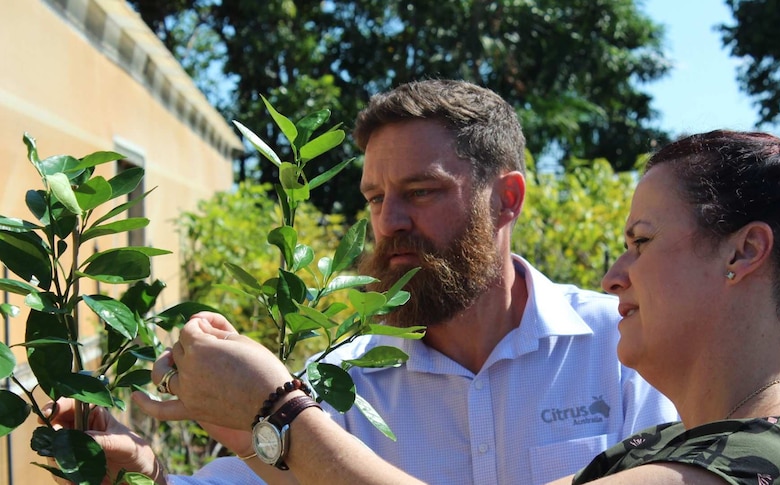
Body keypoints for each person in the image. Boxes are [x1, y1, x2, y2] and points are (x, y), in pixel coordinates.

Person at [134, 92, 780, 484]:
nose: (613, 274)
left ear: (745, 251)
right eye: (373, 196)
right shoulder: (686, 442)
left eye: (641, 242)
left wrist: (278, 406)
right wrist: (232, 420)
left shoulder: (746, 465)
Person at [47, 79, 676, 485]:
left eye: (420, 191)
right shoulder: (344, 381)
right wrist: (143, 469)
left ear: (507, 199)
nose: (389, 222)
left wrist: (277, 410)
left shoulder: (621, 348)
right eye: (374, 198)